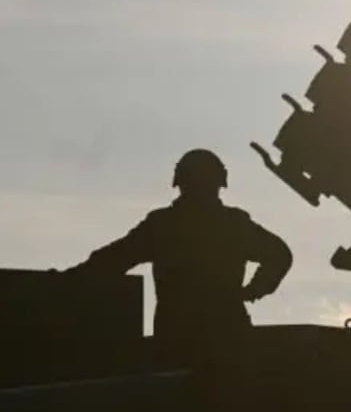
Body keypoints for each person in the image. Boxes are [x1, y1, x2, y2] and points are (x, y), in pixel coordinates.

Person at [65, 148, 293, 362]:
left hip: (180, 336)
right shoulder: (232, 225)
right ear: (220, 182)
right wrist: (252, 291)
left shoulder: (164, 225)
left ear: (179, 182)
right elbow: (280, 255)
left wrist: (70, 279)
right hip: (222, 334)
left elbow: (112, 259)